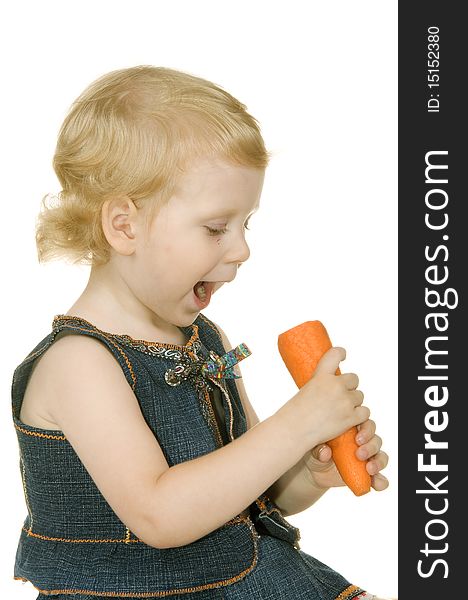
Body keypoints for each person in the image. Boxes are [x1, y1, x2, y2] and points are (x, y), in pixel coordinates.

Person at [11, 65, 393, 600]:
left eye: (245, 225)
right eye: (216, 228)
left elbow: (253, 494)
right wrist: (297, 423)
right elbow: (160, 515)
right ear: (125, 226)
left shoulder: (204, 340)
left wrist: (310, 467)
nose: (240, 250)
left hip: (245, 579)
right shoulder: (79, 363)